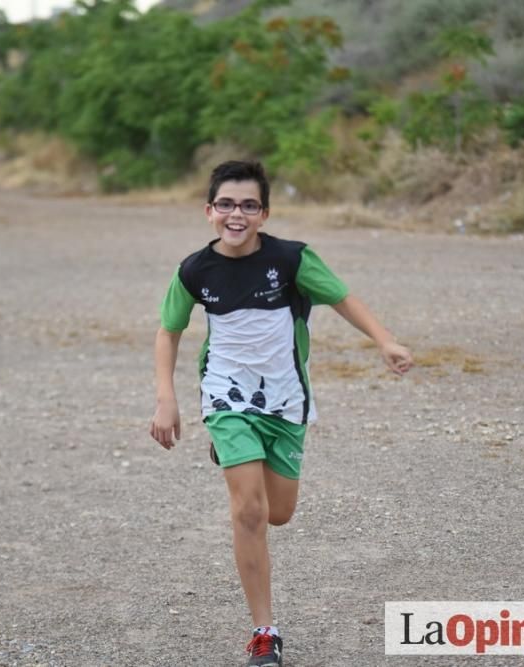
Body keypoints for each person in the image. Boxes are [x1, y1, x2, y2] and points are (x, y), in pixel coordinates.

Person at [149, 160, 413, 667]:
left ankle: (241, 452)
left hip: (286, 401)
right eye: (225, 204)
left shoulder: (292, 259)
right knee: (248, 511)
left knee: (278, 513)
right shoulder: (194, 271)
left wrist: (385, 341)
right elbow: (169, 330)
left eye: (248, 205)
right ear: (209, 211)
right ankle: (264, 633)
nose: (236, 213)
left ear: (264, 213)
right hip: (226, 396)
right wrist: (167, 396)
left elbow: (342, 298)